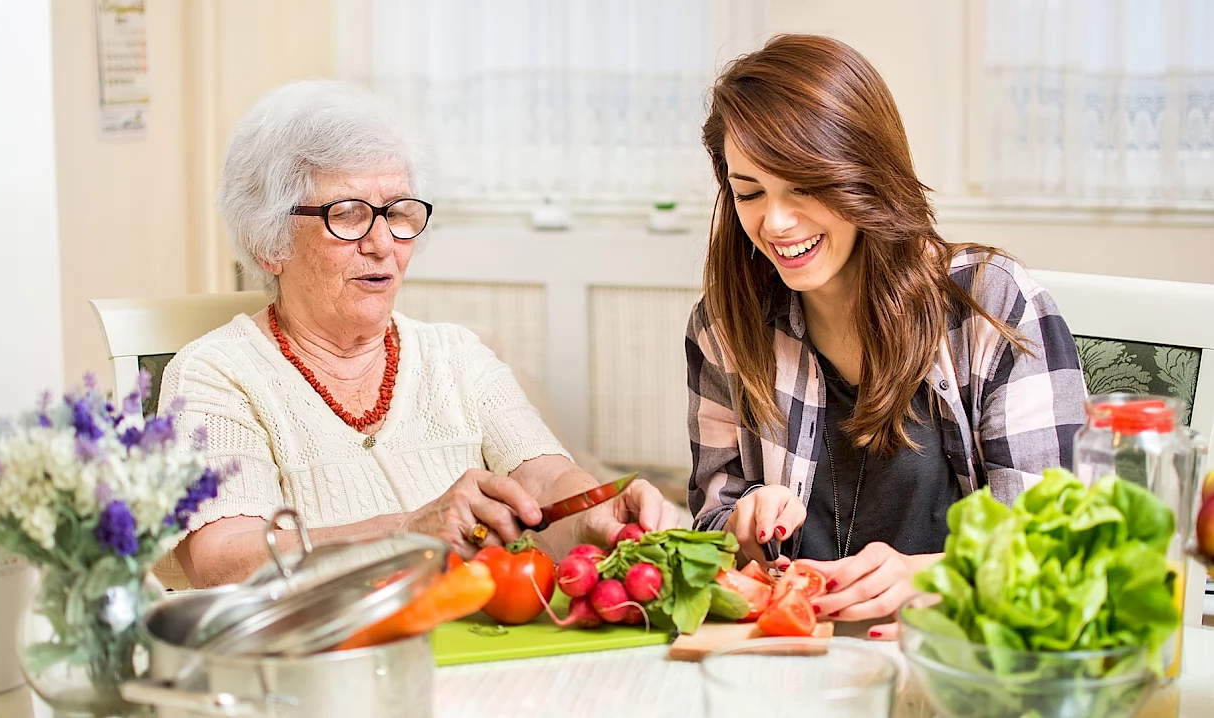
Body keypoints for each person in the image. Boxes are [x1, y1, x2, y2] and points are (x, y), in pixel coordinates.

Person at [161, 79, 679, 587]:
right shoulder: (216, 374)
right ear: (267, 242)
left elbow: (542, 476)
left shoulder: (456, 355)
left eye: (399, 212)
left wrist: (593, 512)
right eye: (347, 215)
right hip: (327, 660)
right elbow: (222, 560)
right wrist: (406, 531)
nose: (383, 244)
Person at [686, 35, 1086, 636]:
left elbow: (1056, 546)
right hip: (792, 659)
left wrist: (936, 579)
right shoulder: (723, 326)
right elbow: (710, 522)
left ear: (863, 172)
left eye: (803, 185)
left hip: (954, 659)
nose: (775, 222)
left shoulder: (992, 305)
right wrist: (740, 521)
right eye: (749, 192)